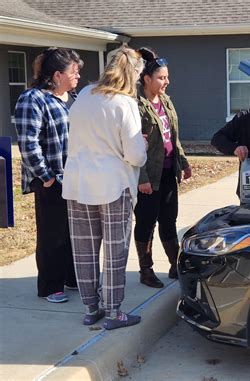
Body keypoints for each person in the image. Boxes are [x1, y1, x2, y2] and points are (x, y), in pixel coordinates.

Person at [62, 46, 147, 329]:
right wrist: (142, 146)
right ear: (133, 73)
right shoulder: (124, 103)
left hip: (77, 183)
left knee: (84, 249)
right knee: (114, 251)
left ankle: (91, 308)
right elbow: (135, 155)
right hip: (113, 185)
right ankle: (114, 312)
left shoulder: (83, 95)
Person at [15, 48, 83, 303]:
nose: (78, 76)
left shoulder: (73, 98)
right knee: (52, 236)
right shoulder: (32, 99)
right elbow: (28, 144)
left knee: (73, 232)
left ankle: (71, 278)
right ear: (57, 74)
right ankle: (50, 286)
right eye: (73, 71)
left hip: (76, 178)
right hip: (50, 179)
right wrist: (47, 177)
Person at [133, 47, 191, 287]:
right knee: (146, 222)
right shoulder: (136, 105)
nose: (167, 81)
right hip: (148, 175)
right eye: (161, 77)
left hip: (168, 172)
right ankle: (145, 270)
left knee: (169, 219)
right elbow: (134, 143)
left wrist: (183, 161)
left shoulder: (165, 100)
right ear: (147, 79)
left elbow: (172, 137)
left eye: (167, 77)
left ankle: (174, 265)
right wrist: (142, 178)